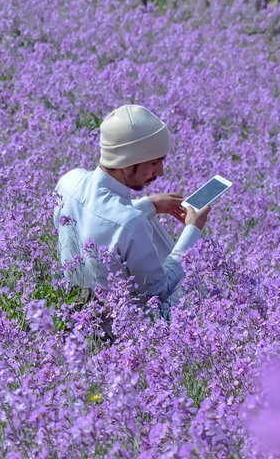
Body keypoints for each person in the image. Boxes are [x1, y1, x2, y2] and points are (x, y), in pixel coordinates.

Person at [53, 104, 211, 319]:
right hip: (121, 324)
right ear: (127, 162)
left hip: (74, 308)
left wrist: (150, 204)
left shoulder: (68, 181)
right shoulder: (130, 222)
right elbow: (158, 292)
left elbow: (97, 219)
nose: (160, 172)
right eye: (154, 163)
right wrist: (192, 231)